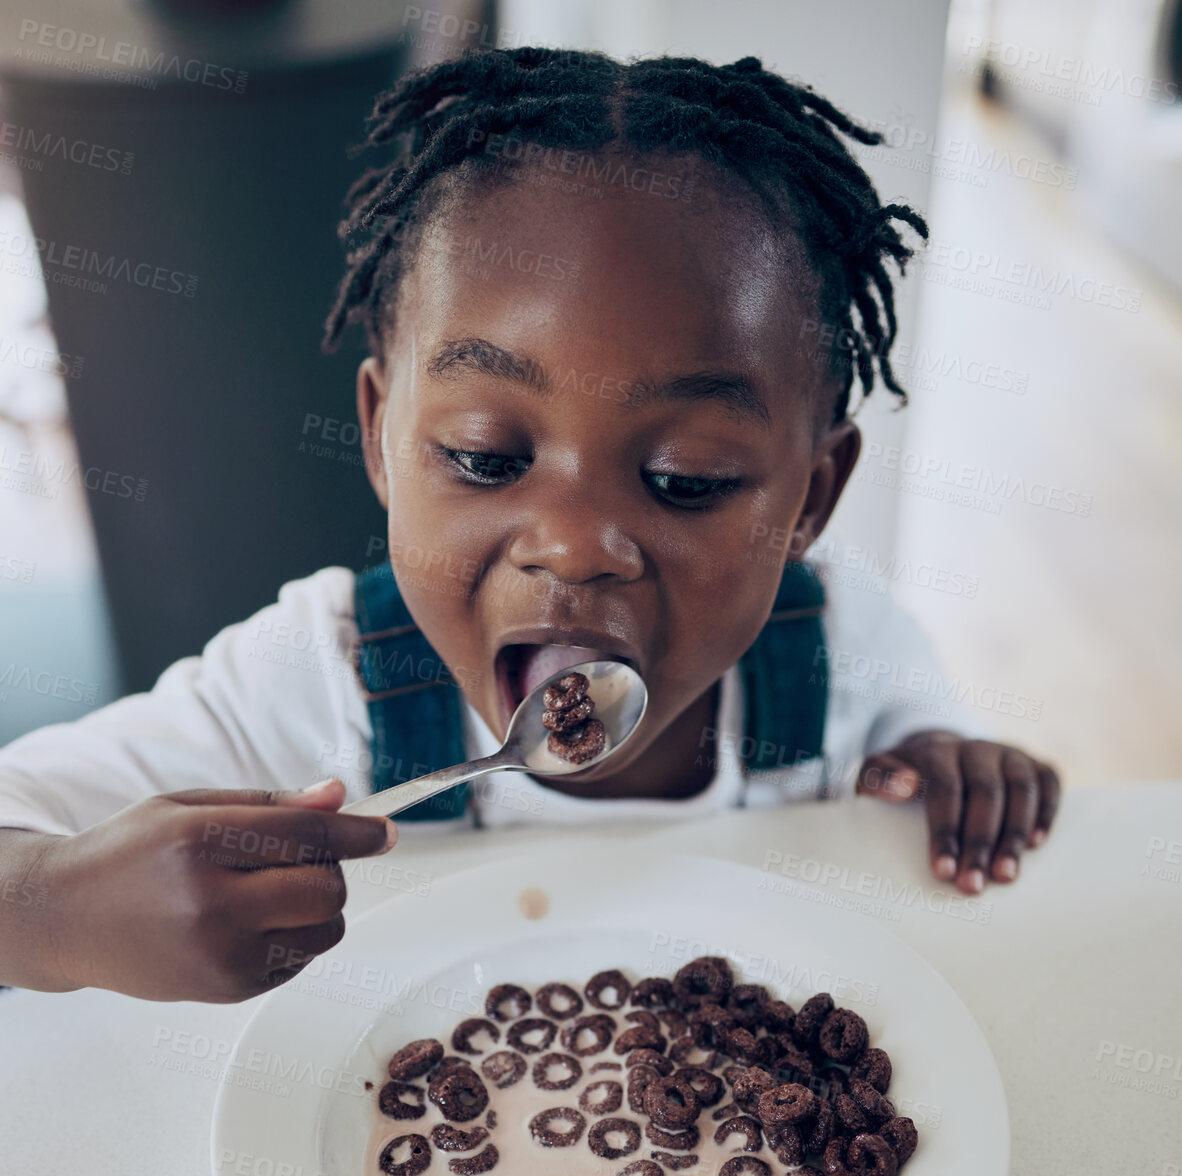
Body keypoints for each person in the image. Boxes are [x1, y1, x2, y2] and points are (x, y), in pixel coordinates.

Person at [0, 47, 1059, 1003]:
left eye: (687, 478)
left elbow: (923, 755)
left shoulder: (842, 650)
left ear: (810, 502)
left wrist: (951, 767)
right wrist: (54, 912)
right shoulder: (315, 688)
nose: (572, 543)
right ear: (379, 438)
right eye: (484, 459)